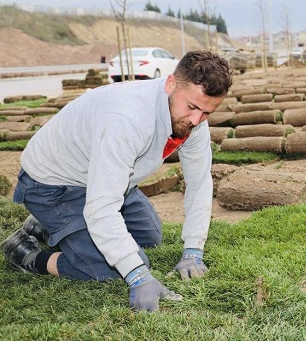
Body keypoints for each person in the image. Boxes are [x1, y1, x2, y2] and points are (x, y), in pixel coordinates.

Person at [1, 50, 232, 312]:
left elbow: (200, 181)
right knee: (112, 267)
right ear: (170, 84)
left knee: (150, 237)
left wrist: (193, 250)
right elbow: (101, 208)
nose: (196, 120)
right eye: (191, 107)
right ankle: (26, 254)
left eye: (206, 113)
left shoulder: (193, 120)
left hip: (102, 178)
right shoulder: (127, 119)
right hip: (51, 185)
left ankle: (48, 226)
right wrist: (138, 276)